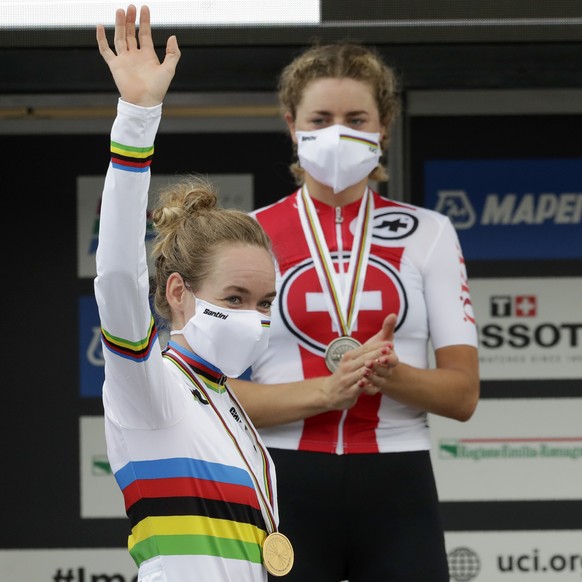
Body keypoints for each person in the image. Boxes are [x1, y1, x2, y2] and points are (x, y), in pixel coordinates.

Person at [94, 6, 395, 580]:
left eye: (264, 303)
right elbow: (115, 277)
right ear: (177, 291)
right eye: (233, 298)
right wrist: (137, 116)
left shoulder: (229, 405)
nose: (253, 319)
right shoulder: (150, 385)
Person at [228, 42, 480, 581]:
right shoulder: (249, 236)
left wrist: (392, 376)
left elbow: (462, 395)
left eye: (356, 118)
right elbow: (216, 393)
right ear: (292, 125)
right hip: (285, 478)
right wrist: (325, 392)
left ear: (383, 126)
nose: (338, 132)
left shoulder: (428, 233)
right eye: (321, 118)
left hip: (397, 480)